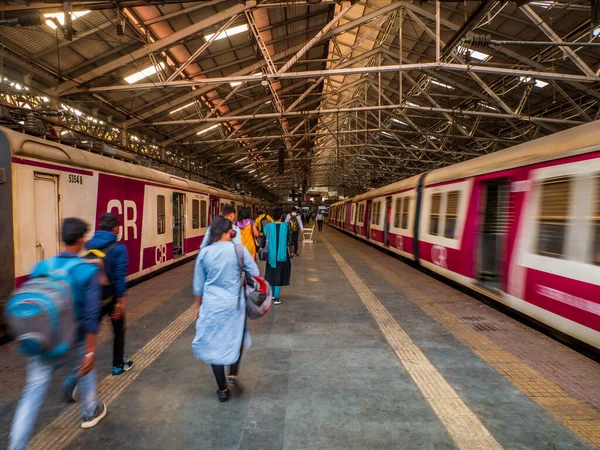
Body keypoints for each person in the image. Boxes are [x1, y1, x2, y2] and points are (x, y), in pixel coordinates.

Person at [9, 218, 106, 450]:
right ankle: (89, 412)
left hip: (43, 342)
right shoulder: (88, 271)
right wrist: (90, 352)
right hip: (74, 341)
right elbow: (92, 315)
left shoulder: (41, 266)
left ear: (62, 238)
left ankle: (16, 446)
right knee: (85, 371)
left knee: (31, 395)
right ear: (82, 239)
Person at [192, 216, 259, 402]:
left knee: (214, 343)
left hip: (212, 305)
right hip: (235, 305)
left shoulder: (204, 253)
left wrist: (198, 308)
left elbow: (198, 286)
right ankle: (233, 375)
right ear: (229, 232)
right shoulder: (238, 250)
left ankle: (222, 388)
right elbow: (255, 273)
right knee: (235, 337)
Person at [85, 213, 134, 376]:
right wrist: (121, 303)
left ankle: (80, 369)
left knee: (90, 333)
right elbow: (119, 278)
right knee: (118, 331)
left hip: (92, 297)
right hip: (111, 297)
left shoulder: (88, 245)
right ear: (116, 228)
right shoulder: (119, 248)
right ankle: (117, 365)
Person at [264, 208, 292, 305]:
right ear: (281, 216)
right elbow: (289, 240)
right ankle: (276, 298)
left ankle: (272, 294)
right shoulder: (286, 226)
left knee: (272, 273)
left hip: (271, 254)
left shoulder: (268, 226)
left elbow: (263, 237)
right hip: (282, 254)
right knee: (278, 274)